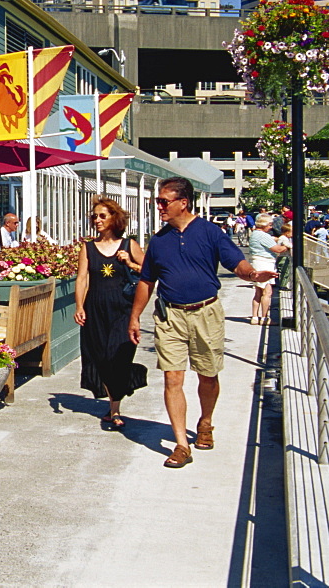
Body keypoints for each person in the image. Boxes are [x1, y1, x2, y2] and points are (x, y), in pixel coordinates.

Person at [128, 177, 277, 469]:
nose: (158, 206)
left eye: (163, 201)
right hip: (170, 316)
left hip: (205, 313)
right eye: (157, 201)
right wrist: (134, 317)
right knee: (173, 378)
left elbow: (236, 262)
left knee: (207, 375)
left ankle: (206, 421)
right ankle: (182, 445)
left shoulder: (211, 233)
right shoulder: (158, 240)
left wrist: (252, 274)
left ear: (183, 202)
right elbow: (147, 281)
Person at [74, 197, 146, 429]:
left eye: (102, 215)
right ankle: (113, 405)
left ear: (115, 218)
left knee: (119, 356)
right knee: (100, 357)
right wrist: (79, 306)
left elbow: (149, 271)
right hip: (95, 308)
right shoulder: (88, 247)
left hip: (123, 309)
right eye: (94, 216)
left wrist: (131, 263)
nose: (97, 220)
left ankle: (115, 409)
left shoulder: (129, 245)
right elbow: (82, 279)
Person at [248, 214, 287, 325]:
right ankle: (265, 318)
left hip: (256, 263)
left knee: (258, 292)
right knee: (267, 292)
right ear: (264, 224)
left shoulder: (254, 234)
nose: (271, 227)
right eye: (270, 225)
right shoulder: (263, 236)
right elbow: (277, 249)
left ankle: (255, 317)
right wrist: (287, 246)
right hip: (265, 263)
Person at [276, 223, 293, 290]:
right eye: (291, 232)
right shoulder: (284, 238)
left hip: (282, 256)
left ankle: (280, 283)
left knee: (282, 270)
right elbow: (288, 245)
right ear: (287, 232)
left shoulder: (282, 237)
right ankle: (283, 285)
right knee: (285, 271)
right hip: (283, 257)